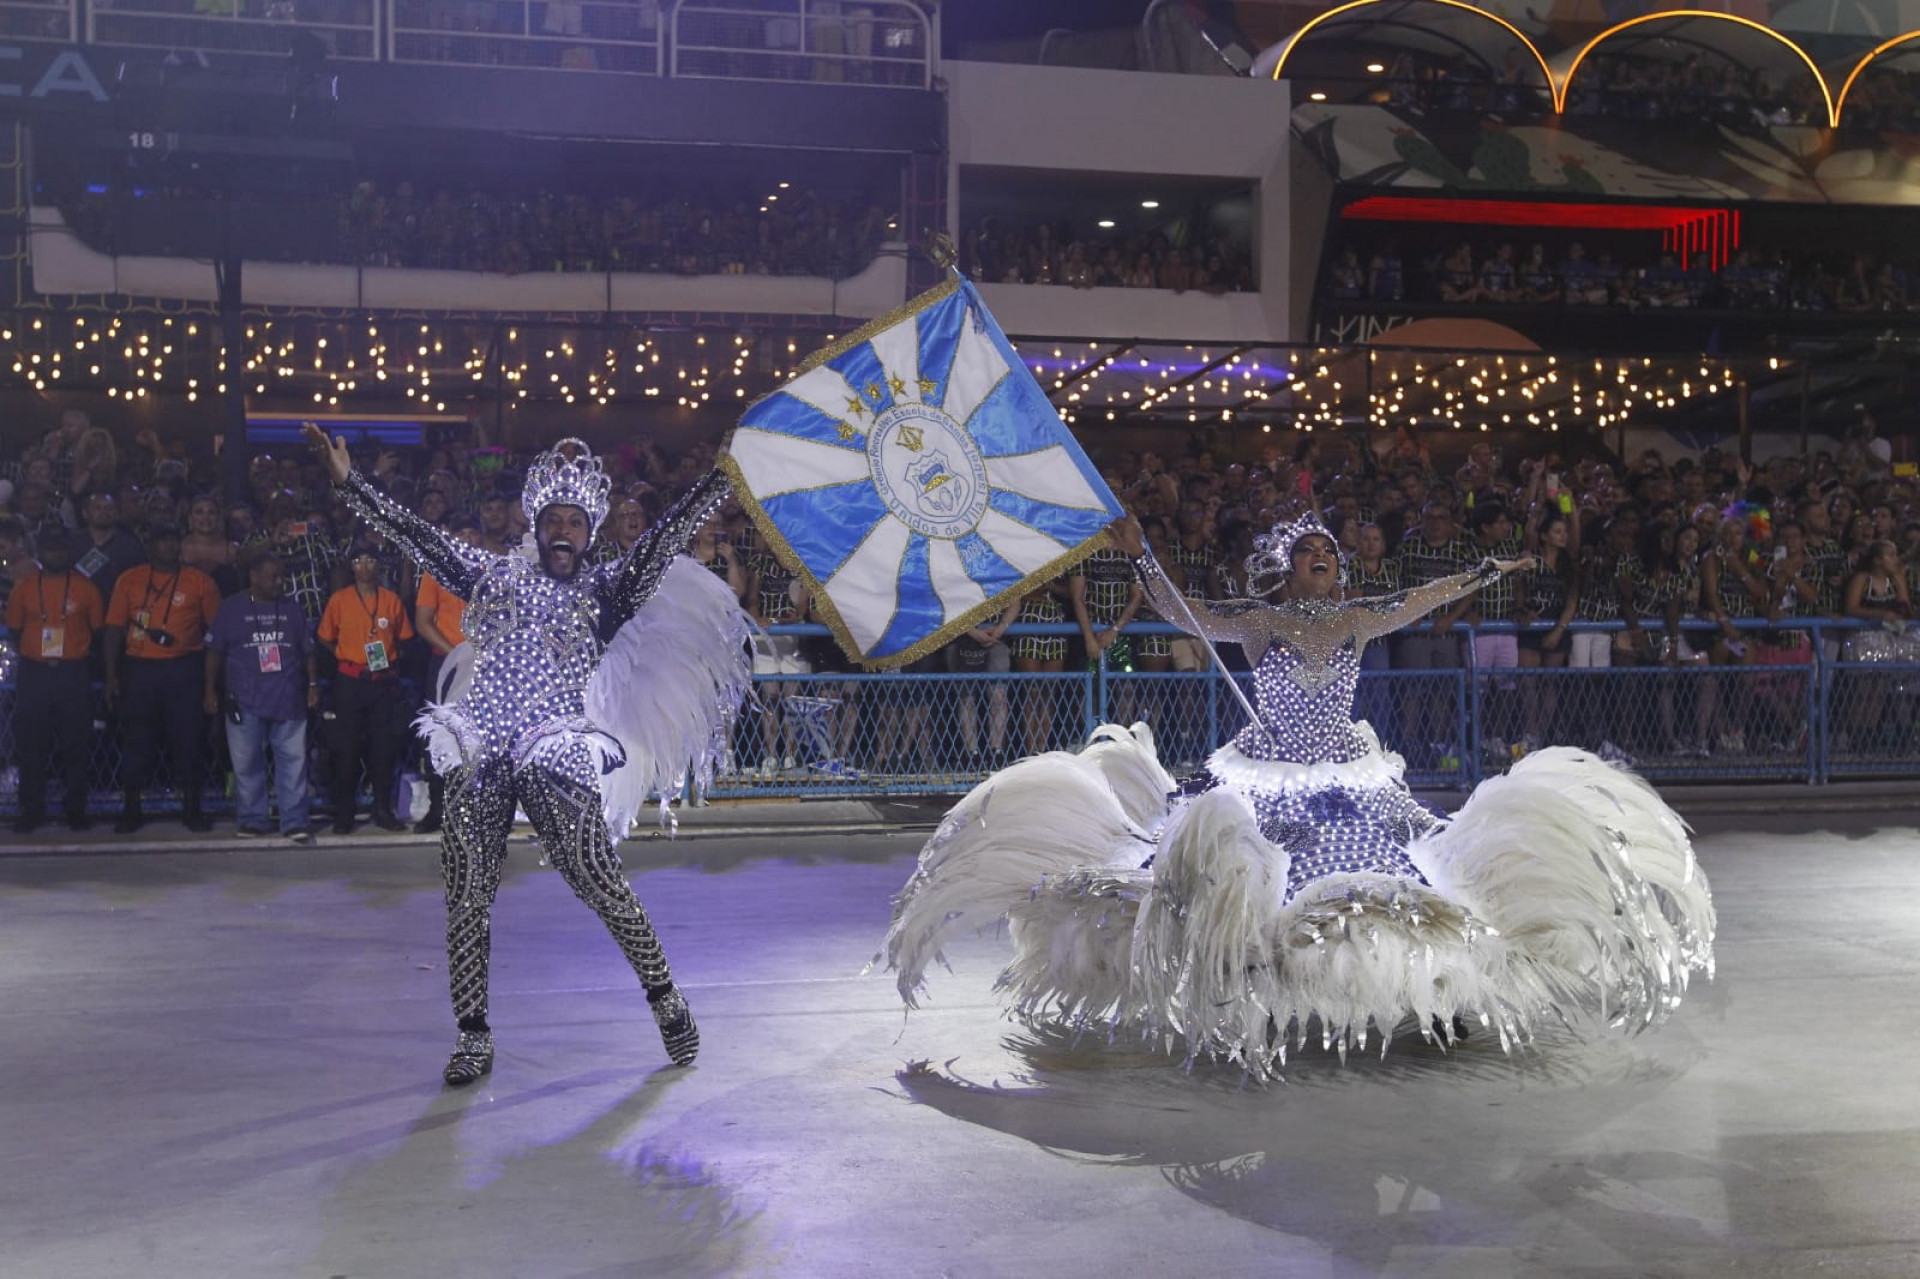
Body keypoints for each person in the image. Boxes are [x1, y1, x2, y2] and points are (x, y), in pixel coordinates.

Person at [884, 512, 1715, 1078]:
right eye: (1318, 552)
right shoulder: (1255, 621)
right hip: (1271, 781)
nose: (1332, 561)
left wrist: (1485, 569)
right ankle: (1246, 1002)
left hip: (1349, 788)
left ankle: (1432, 998)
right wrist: (1138, 552)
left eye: (1336, 554)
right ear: (1291, 566)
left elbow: (1427, 598)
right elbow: (1179, 609)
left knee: (1401, 894)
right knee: (1261, 897)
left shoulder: (1355, 618)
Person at [303, 424, 750, 1085]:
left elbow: (664, 538)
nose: (565, 531)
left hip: (556, 741)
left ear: (589, 533)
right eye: (554, 520)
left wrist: (719, 478)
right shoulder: (492, 575)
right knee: (466, 891)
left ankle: (665, 995)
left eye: (576, 522)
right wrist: (351, 485)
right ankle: (474, 1034)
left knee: (598, 879)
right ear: (536, 526)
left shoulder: (606, 589)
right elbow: (420, 538)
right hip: (483, 739)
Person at [103, 525, 222, 833]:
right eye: (160, 541)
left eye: (171, 541)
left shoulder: (199, 580)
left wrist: (211, 682)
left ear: (179, 545)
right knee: (137, 741)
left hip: (185, 668)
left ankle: (192, 808)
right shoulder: (129, 579)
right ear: (150, 545)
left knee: (188, 741)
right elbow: (114, 629)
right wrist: (111, 676)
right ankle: (131, 809)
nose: (166, 547)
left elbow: (217, 633)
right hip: (139, 669)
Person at [206, 549, 317, 841]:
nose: (279, 582)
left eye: (281, 576)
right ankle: (254, 820)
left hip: (288, 697)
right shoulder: (231, 607)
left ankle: (294, 821)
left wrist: (314, 685)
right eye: (273, 576)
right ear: (254, 577)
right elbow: (214, 652)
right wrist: (209, 690)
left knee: (293, 762)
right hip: (245, 698)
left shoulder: (292, 608)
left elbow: (308, 652)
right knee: (246, 763)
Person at [4, 534, 105, 833]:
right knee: (31, 744)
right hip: (35, 672)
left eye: (60, 548)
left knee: (76, 744)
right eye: (49, 548)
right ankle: (30, 810)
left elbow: (98, 631)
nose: (55, 554)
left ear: (68, 551)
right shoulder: (23, 588)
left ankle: (76, 810)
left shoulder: (87, 588)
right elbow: (13, 630)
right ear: (41, 551)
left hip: (73, 671)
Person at [317, 545, 415, 834]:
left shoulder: (391, 600)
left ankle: (383, 809)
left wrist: (389, 661)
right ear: (352, 566)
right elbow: (324, 637)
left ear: (379, 565)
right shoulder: (340, 600)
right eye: (359, 561)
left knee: (383, 748)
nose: (365, 566)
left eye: (370, 559)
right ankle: (344, 811)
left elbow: (404, 638)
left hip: (382, 682)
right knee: (346, 749)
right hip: (349, 681)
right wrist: (343, 653)